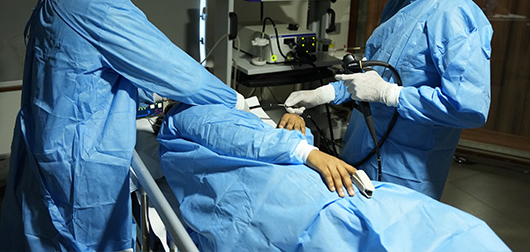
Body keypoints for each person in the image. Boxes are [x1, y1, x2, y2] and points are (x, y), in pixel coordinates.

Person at [0, 0, 250, 252]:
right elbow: (177, 71)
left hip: (46, 146)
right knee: (85, 239)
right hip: (81, 162)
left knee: (47, 233)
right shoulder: (99, 4)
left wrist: (152, 97)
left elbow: (87, 71)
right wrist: (237, 103)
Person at [284, 0, 493, 200]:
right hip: (363, 148)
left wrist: (391, 95)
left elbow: (468, 106)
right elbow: (371, 78)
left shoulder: (455, 15)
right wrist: (328, 93)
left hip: (407, 167)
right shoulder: (398, 6)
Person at [155, 102, 508, 252]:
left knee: (417, 221)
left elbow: (262, 145)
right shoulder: (191, 112)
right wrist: (303, 149)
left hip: (320, 190)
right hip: (305, 206)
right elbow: (241, 139)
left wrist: (298, 132)